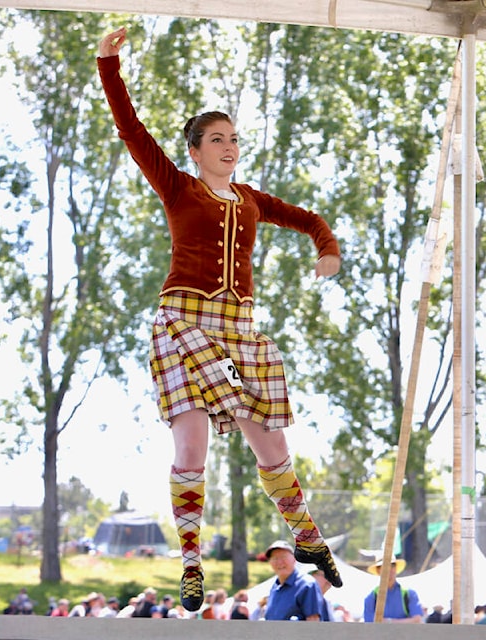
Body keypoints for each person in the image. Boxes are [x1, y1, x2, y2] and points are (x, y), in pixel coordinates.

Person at [96, 26, 343, 612]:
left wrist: (326, 248)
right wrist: (109, 66)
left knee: (270, 440)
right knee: (192, 445)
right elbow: (130, 130)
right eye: (216, 139)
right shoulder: (178, 187)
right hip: (183, 322)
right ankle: (189, 563)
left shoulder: (253, 200)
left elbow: (310, 217)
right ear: (196, 150)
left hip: (238, 329)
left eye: (233, 138)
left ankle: (306, 537)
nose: (229, 147)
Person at [262, 540, 325, 621]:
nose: (279, 562)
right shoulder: (275, 588)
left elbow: (313, 623)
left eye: (283, 557)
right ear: (270, 562)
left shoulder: (307, 585)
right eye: (275, 558)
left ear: (294, 559)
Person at [362, 557, 423, 623]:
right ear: (378, 571)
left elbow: (417, 620)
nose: (389, 569)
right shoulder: (372, 597)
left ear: (396, 569)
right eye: (385, 566)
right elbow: (369, 623)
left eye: (392, 566)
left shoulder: (408, 594)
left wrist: (388, 621)